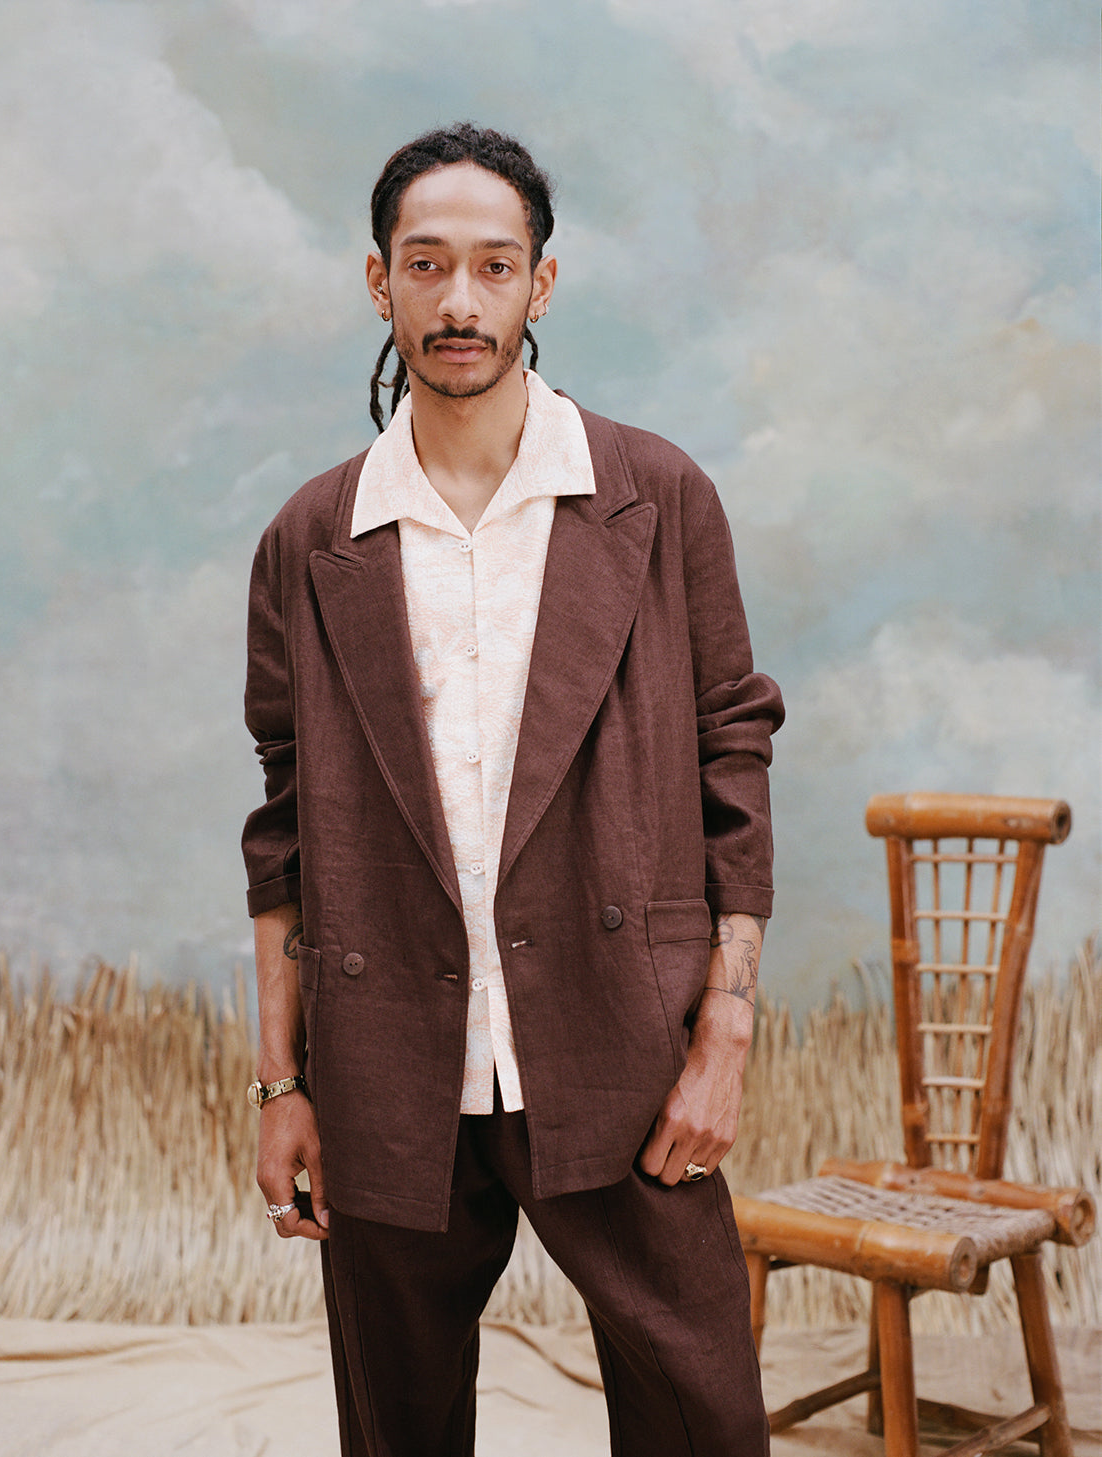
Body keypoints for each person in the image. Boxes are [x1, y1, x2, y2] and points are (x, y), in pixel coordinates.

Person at [242, 122, 784, 1456]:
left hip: (623, 1042)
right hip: (385, 1060)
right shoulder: (314, 538)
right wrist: (280, 1082)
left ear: (543, 284)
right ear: (380, 283)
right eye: (427, 266)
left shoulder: (657, 498)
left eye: (494, 266)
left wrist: (724, 1031)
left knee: (700, 1418)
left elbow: (735, 762)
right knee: (399, 1427)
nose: (460, 302)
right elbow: (285, 823)